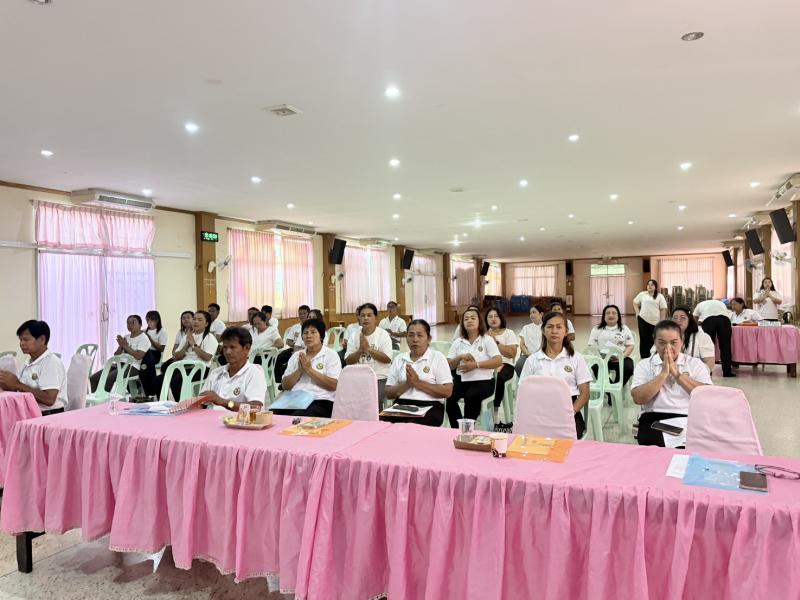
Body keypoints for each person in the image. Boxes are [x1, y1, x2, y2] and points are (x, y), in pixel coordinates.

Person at [631, 319, 712, 446]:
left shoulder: (695, 364)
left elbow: (707, 396)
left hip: (689, 417)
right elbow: (638, 398)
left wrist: (677, 374)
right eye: (662, 343)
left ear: (682, 341)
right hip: (654, 418)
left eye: (674, 342)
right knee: (657, 451)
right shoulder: (644, 365)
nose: (668, 348)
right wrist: (663, 374)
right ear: (654, 341)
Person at [520, 311, 591, 438]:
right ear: (543, 330)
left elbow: (585, 394)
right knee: (533, 439)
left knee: (564, 440)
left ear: (566, 331)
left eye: (559, 327)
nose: (554, 331)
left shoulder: (576, 358)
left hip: (568, 409)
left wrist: (571, 412)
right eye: (550, 327)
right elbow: (523, 392)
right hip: (539, 410)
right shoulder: (532, 360)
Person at [383, 319, 453, 427]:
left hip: (430, 405)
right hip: (401, 405)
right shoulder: (399, 359)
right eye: (411, 335)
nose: (415, 339)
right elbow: (388, 393)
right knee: (382, 424)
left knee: (412, 427)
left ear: (429, 339)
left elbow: (447, 391)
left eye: (420, 335)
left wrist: (418, 383)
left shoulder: (437, 357)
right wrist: (407, 384)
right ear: (406, 338)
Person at [445, 307, 502, 427]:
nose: (469, 320)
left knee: (471, 396)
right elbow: (448, 365)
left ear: (479, 321)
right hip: (462, 380)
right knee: (448, 396)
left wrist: (476, 365)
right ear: (462, 323)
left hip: (484, 381)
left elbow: (498, 360)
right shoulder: (458, 342)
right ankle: (458, 428)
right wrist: (460, 357)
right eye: (466, 319)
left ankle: (467, 428)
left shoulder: (487, 340)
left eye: (472, 318)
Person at [0, 320, 66, 413]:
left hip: (48, 415)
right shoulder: (26, 363)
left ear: (42, 339)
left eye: (26, 340)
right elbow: (18, 389)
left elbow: (49, 400)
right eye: (20, 340)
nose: (21, 343)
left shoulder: (51, 363)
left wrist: (17, 384)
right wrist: (6, 382)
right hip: (29, 413)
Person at [281, 318, 342, 417]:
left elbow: (333, 385)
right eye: (305, 333)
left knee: (298, 417)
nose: (309, 336)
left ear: (321, 336)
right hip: (295, 398)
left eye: (313, 332)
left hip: (320, 400)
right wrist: (299, 371)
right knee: (273, 414)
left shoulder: (331, 355)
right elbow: (285, 385)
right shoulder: (296, 356)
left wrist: (309, 370)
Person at [200, 327, 268, 412]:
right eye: (225, 347)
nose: (227, 352)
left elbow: (255, 407)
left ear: (247, 348)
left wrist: (223, 402)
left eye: (232, 347)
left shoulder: (254, 373)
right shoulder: (216, 373)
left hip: (239, 420)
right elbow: (202, 401)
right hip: (210, 418)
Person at [157, 310, 219, 401]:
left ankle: (182, 405)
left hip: (200, 368)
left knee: (176, 382)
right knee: (159, 380)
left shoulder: (210, 338)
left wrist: (193, 344)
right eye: (194, 319)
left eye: (200, 320)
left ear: (206, 324)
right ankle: (163, 404)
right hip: (184, 365)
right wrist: (186, 345)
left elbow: (207, 357)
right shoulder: (187, 336)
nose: (196, 322)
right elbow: (176, 356)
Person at [89, 314, 151, 392]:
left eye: (133, 322)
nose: (130, 325)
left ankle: (104, 398)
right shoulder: (126, 337)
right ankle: (96, 397)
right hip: (119, 364)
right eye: (128, 323)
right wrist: (121, 346)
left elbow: (139, 356)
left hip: (133, 366)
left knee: (110, 377)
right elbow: (116, 355)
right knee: (94, 378)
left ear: (140, 325)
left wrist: (125, 346)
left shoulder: (143, 338)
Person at [345, 303, 393, 402]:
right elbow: (348, 361)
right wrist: (360, 351)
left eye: (369, 315)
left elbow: (387, 359)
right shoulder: (354, 335)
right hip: (358, 378)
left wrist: (369, 349)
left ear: (376, 318)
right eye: (362, 315)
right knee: (350, 400)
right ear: (359, 318)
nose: (366, 318)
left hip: (379, 377)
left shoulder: (383, 335)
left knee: (371, 401)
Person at [485, 307, 518, 430]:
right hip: (488, 365)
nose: (493, 319)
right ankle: (482, 410)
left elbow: (512, 353)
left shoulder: (508, 333)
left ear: (501, 318)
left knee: (498, 378)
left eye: (496, 316)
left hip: (506, 365)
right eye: (490, 316)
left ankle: (495, 411)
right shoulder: (483, 334)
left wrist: (496, 342)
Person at [586, 304, 635, 386]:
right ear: (604, 316)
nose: (611, 315)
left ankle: (617, 386)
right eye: (608, 313)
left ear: (618, 316)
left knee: (629, 367)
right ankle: (609, 389)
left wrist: (622, 356)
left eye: (614, 313)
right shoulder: (596, 329)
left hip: (620, 357)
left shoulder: (624, 328)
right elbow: (591, 346)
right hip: (601, 358)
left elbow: (630, 345)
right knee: (595, 367)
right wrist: (599, 357)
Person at [693, 299, 734, 377]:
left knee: (708, 347)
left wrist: (697, 326)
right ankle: (727, 372)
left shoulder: (700, 304)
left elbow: (695, 318)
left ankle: (708, 371)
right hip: (724, 320)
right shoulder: (721, 303)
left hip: (709, 320)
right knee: (725, 346)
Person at [667, 307, 716, 372]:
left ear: (690, 320)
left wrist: (694, 374)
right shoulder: (665, 336)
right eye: (675, 318)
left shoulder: (702, 337)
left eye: (682, 317)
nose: (678, 320)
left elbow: (709, 363)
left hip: (695, 375)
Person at [274, 305, 311, 383]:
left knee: (289, 364)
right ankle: (279, 381)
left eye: (304, 313)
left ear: (308, 314)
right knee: (279, 357)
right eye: (300, 313)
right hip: (294, 348)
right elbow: (288, 341)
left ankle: (289, 379)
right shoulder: (295, 327)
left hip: (306, 350)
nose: (302, 315)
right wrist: (296, 346)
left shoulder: (310, 327)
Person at [632, 279, 668, 359]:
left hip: (655, 322)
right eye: (648, 284)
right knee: (643, 339)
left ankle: (655, 356)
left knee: (654, 339)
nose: (650, 286)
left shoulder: (659, 296)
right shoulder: (642, 294)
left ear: (656, 287)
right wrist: (637, 312)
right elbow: (634, 302)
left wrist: (662, 322)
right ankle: (644, 356)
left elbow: (663, 309)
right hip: (642, 320)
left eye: (652, 285)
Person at [139, 310, 169, 396]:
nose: (149, 323)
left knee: (146, 364)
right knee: (143, 366)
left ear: (157, 320)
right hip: (144, 354)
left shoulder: (162, 332)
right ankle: (146, 390)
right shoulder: (144, 331)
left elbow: (161, 348)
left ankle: (150, 390)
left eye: (152, 320)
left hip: (155, 354)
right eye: (147, 320)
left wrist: (149, 338)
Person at [516, 305, 544, 376]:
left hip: (543, 354)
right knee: (519, 366)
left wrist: (537, 355)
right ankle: (525, 381)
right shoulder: (526, 327)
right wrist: (529, 355)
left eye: (534, 312)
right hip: (527, 354)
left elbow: (546, 344)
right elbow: (522, 345)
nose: (531, 315)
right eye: (530, 313)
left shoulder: (546, 327)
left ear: (541, 314)